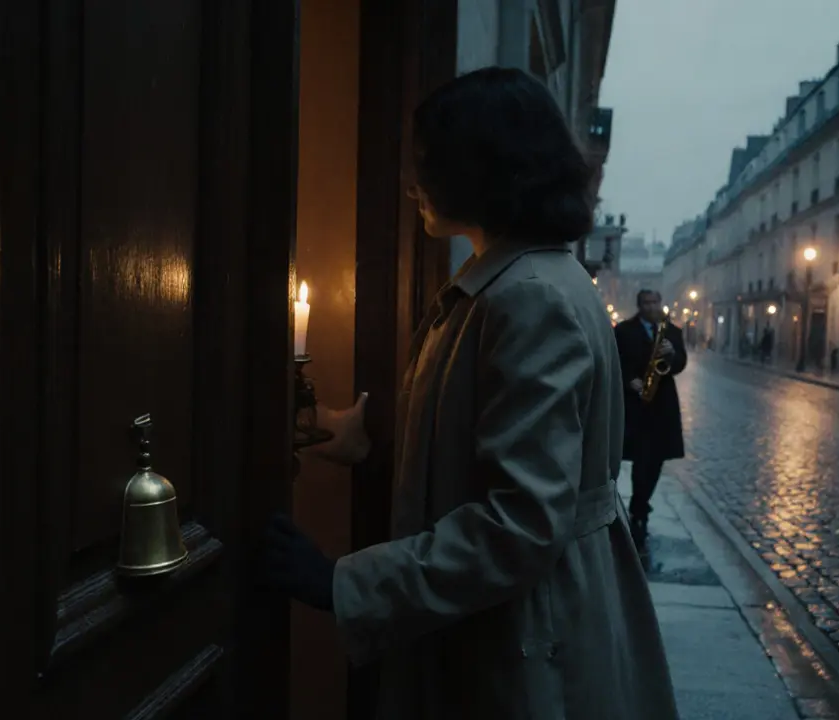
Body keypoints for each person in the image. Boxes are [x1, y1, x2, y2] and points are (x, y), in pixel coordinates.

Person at [262, 67, 678, 720]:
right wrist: (373, 446)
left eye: (427, 161)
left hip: (521, 645)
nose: (410, 182)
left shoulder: (528, 296)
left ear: (480, 168)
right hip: (514, 629)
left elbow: (518, 523)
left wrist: (340, 582)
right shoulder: (515, 280)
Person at [613, 290, 687, 551]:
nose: (652, 307)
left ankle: (640, 504)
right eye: (647, 303)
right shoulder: (623, 330)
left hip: (662, 406)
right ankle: (639, 509)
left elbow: (680, 364)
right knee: (641, 461)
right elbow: (616, 361)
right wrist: (629, 380)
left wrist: (671, 354)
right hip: (636, 405)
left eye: (655, 302)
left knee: (655, 462)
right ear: (639, 305)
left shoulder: (672, 331)